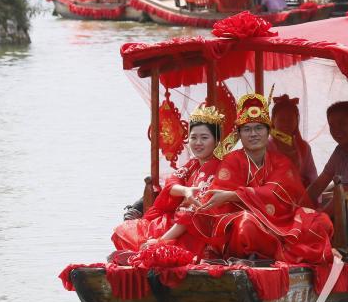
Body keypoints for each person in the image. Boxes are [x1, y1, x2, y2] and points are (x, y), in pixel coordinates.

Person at [151, 93, 334, 264]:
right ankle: (258, 254)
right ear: (239, 133)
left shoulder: (281, 161)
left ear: (269, 131)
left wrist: (234, 195)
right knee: (246, 224)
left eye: (258, 128)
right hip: (248, 225)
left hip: (281, 221)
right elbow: (213, 197)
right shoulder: (231, 161)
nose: (253, 134)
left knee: (321, 221)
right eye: (246, 129)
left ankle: (271, 251)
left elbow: (277, 191)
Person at [111, 104, 224, 252]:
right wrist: (185, 191)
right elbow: (172, 184)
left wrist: (161, 241)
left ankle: (154, 249)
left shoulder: (215, 169)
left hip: (192, 232)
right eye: (193, 137)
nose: (198, 143)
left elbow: (191, 214)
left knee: (146, 245)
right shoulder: (192, 165)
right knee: (122, 231)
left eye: (204, 138)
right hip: (176, 222)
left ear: (216, 141)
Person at [269, 94, 318, 187]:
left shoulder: (304, 147)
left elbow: (312, 176)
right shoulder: (264, 147)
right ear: (272, 120)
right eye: (281, 120)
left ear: (297, 121)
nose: (286, 124)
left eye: (290, 119)